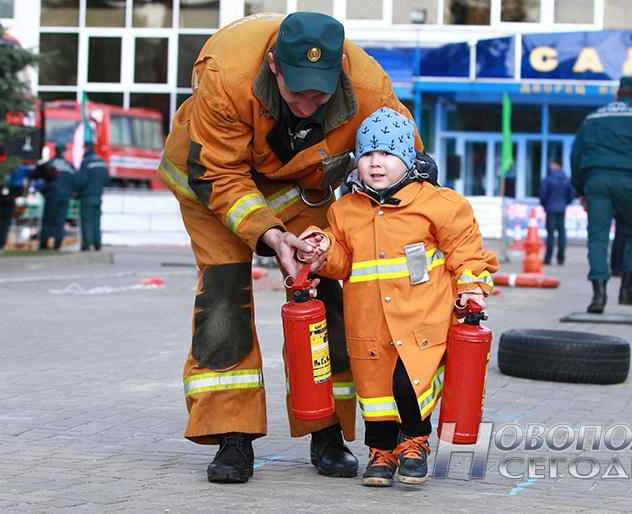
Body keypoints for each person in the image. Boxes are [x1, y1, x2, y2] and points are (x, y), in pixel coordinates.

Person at [156, 12, 424, 484]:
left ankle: (327, 430)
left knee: (322, 293)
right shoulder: (226, 74)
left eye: (320, 95)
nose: (306, 105)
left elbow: (409, 167)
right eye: (296, 92)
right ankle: (232, 434)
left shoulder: (369, 87)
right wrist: (271, 234)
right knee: (224, 297)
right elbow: (218, 172)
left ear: (341, 69)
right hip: (214, 183)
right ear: (274, 65)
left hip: (299, 188)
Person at [296, 107, 500, 487]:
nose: (376, 163)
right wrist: (322, 246)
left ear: (407, 158)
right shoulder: (344, 211)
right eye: (367, 154)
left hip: (421, 321)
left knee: (410, 385)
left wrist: (472, 288)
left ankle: (415, 443)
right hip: (369, 325)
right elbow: (342, 261)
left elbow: (466, 251)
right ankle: (381, 451)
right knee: (374, 391)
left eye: (387, 153)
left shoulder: (440, 205)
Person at [570, 76, 632, 313]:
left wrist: (580, 190)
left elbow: (576, 155)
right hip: (627, 182)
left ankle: (598, 295)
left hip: (596, 182)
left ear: (616, 94)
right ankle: (627, 289)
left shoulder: (593, 118)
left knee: (597, 237)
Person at [37, 142, 77, 250]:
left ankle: (44, 244)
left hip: (52, 196)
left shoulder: (50, 164)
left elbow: (40, 180)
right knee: (60, 221)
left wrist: (44, 192)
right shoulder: (69, 166)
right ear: (64, 152)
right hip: (65, 197)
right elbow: (75, 182)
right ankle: (57, 244)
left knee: (48, 221)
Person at [539, 157, 576, 265]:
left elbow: (542, 193)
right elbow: (572, 194)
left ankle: (548, 257)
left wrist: (545, 204)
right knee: (561, 234)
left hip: (550, 208)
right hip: (562, 208)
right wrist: (565, 203)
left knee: (550, 234)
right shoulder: (566, 179)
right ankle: (560, 258)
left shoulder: (549, 179)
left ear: (556, 165)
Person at [76, 142, 110, 251]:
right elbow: (106, 180)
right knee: (96, 221)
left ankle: (86, 244)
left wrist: (76, 191)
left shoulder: (86, 162)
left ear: (87, 148)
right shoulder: (102, 162)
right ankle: (97, 244)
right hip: (98, 196)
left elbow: (82, 180)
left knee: (87, 221)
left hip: (87, 196)